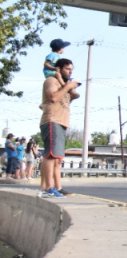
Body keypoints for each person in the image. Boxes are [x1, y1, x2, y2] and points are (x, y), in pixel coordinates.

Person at [38, 58, 81, 198]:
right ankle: (46, 188)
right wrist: (67, 86)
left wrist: (68, 86)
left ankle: (53, 188)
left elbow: (74, 95)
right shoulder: (51, 81)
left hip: (61, 122)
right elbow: (53, 97)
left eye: (71, 70)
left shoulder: (63, 84)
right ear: (59, 69)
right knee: (50, 155)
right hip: (52, 120)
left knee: (56, 158)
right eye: (68, 69)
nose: (70, 72)